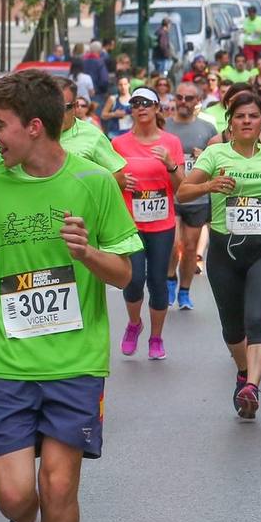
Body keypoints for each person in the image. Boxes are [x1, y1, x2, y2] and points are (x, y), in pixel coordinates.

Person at [0, 69, 139, 522]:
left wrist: (87, 254)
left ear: (35, 127)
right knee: (15, 494)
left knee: (61, 486)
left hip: (76, 362)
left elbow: (126, 271)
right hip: (6, 360)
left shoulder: (93, 183)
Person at [177, 90, 261, 419]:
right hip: (224, 252)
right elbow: (183, 190)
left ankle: (253, 387)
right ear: (230, 123)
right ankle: (244, 372)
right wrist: (208, 187)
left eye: (253, 116)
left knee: (258, 319)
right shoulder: (215, 155)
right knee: (233, 328)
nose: (247, 121)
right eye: (240, 117)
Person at [112, 87, 184, 358]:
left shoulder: (171, 143)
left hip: (161, 223)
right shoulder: (118, 144)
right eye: (135, 103)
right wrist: (118, 180)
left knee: (157, 281)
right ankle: (134, 324)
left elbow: (182, 187)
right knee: (133, 280)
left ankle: (156, 338)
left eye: (146, 103)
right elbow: (109, 179)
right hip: (129, 223)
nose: (140, 107)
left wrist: (170, 165)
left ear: (157, 108)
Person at [161, 82, 217, 310]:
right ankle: (170, 281)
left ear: (197, 102)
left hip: (197, 197)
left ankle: (184, 291)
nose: (183, 102)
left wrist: (204, 155)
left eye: (189, 98)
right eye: (180, 97)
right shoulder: (164, 127)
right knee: (173, 244)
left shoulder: (207, 128)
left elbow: (217, 160)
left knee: (191, 247)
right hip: (170, 195)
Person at [56, 78, 127, 180]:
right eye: (53, 107)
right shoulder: (34, 133)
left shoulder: (93, 135)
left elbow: (119, 179)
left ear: (76, 106)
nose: (58, 114)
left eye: (64, 108)